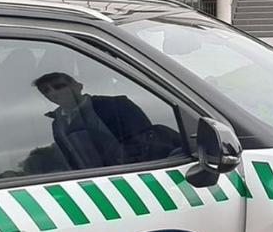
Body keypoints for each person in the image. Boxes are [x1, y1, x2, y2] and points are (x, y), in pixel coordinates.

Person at [33, 71, 182, 169]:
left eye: (59, 86)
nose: (53, 92)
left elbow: (146, 142)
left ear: (78, 86)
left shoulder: (117, 105)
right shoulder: (57, 123)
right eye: (46, 91)